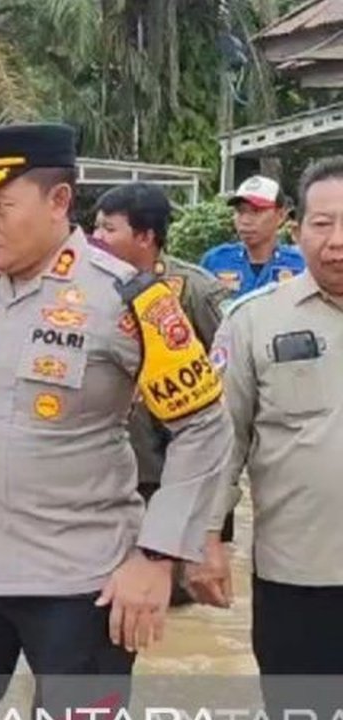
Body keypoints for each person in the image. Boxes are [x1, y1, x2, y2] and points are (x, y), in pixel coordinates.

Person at [0, 123, 232, 718]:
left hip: (84, 573)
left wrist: (157, 557)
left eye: (0, 206)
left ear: (58, 201)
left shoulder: (130, 300)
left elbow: (204, 427)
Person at [187, 157, 343, 714]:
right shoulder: (253, 320)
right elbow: (218, 440)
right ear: (297, 228)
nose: (336, 242)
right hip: (298, 577)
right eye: (323, 225)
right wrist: (205, 537)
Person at [91, 182, 235, 606]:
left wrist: (212, 518)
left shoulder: (195, 291)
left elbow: (221, 390)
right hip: (106, 473)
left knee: (167, 600)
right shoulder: (86, 290)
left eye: (108, 229)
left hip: (166, 472)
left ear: (145, 237)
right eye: (94, 227)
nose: (96, 239)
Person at [201, 175, 304, 300]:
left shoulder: (301, 265)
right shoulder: (215, 260)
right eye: (240, 211)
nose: (245, 220)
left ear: (281, 215)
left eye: (256, 211)